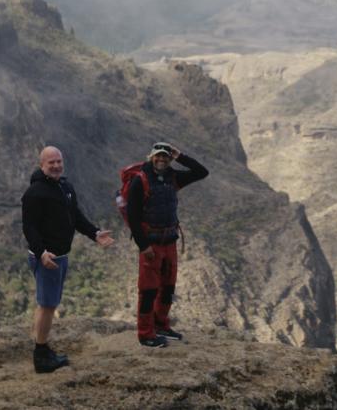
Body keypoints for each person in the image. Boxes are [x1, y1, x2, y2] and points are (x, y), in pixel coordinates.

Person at [21, 145, 115, 373]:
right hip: (48, 258)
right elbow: (29, 227)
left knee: (48, 303)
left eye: (58, 161)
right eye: (50, 162)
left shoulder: (65, 187)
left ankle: (42, 349)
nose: (55, 165)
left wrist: (94, 233)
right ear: (41, 165)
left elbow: (75, 217)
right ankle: (41, 356)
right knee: (47, 305)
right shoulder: (35, 193)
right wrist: (42, 252)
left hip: (60, 256)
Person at [126, 142, 209, 347]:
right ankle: (145, 334)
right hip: (151, 245)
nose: (162, 159)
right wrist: (143, 246)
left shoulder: (174, 178)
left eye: (166, 156)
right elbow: (132, 217)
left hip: (170, 241)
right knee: (148, 290)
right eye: (158, 156)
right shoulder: (140, 181)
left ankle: (161, 325)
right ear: (151, 157)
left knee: (168, 287)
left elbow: (201, 172)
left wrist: (180, 155)